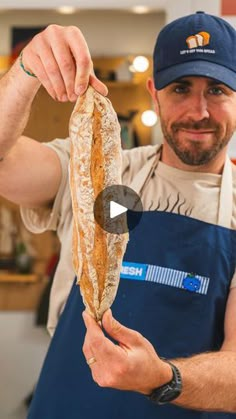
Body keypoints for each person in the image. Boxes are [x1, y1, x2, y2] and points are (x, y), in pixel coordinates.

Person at [1, 10, 236, 419]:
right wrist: (25, 71)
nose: (199, 111)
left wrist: (162, 378)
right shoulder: (96, 169)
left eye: (217, 90)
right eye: (180, 88)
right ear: (153, 92)